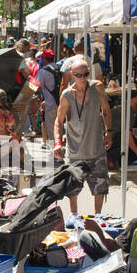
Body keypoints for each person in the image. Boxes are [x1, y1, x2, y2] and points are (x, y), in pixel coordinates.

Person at [54, 55, 113, 214]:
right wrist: (58, 143)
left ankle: (98, 218)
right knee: (72, 191)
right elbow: (58, 121)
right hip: (75, 153)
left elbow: (106, 109)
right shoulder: (66, 95)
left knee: (100, 188)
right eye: (78, 75)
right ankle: (75, 217)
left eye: (85, 75)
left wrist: (109, 131)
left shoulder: (97, 87)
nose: (82, 78)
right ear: (72, 75)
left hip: (97, 150)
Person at [37, 46, 59, 145]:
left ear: (45, 59)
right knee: (60, 129)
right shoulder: (59, 68)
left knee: (51, 131)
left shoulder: (43, 71)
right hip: (62, 104)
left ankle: (54, 155)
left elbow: (36, 86)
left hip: (51, 105)